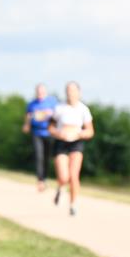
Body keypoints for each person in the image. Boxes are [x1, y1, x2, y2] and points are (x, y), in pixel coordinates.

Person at [48, 81, 94, 216]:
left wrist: (79, 134)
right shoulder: (59, 108)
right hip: (61, 143)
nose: (70, 93)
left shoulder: (83, 109)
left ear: (78, 92)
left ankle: (73, 204)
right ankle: (60, 187)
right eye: (68, 90)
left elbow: (90, 131)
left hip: (76, 143)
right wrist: (59, 133)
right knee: (64, 177)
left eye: (73, 90)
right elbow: (50, 127)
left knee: (74, 176)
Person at [23, 84, 58, 191]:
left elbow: (58, 115)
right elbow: (28, 115)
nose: (40, 94)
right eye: (38, 92)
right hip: (36, 133)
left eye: (42, 92)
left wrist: (50, 113)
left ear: (45, 92)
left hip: (49, 133)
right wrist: (26, 125)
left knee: (47, 158)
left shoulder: (52, 102)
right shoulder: (32, 104)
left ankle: (45, 178)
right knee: (39, 156)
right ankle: (40, 180)